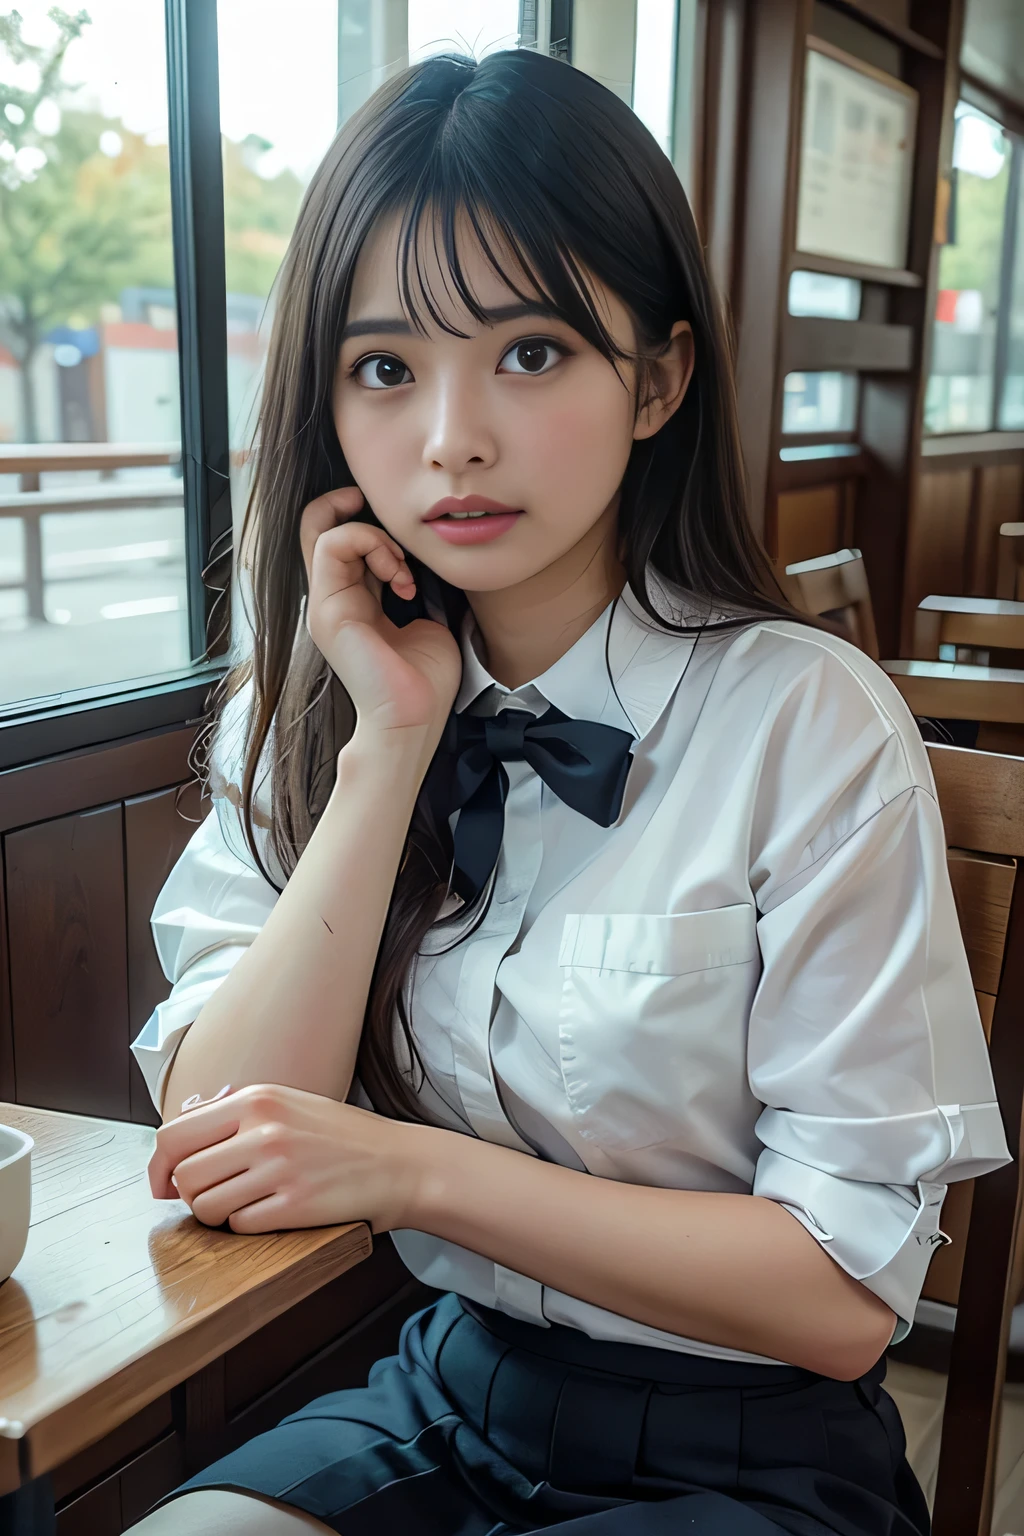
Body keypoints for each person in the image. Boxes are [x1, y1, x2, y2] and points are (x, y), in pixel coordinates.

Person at [125, 46, 1008, 1536]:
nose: (450, 437)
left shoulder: (804, 723)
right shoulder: (324, 693)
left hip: (755, 1459)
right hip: (448, 1398)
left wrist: (413, 1173)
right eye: (385, 367)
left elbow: (849, 1299)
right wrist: (390, 744)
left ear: (657, 376)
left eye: (529, 352)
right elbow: (222, 1137)